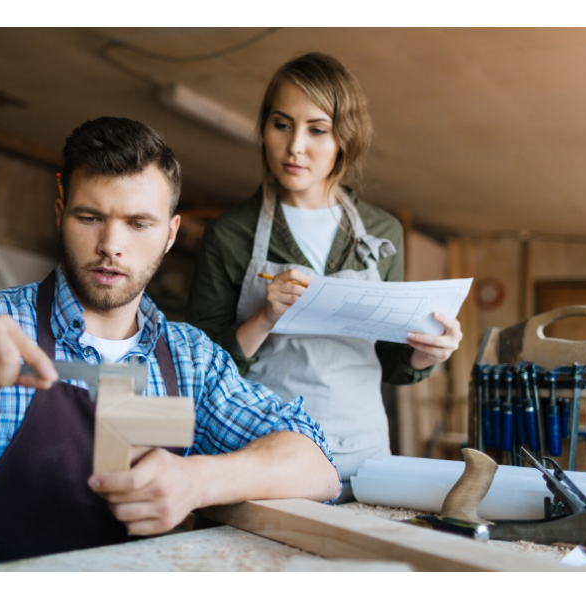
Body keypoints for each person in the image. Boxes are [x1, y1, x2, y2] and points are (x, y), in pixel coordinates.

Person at [0, 117, 340, 571]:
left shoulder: (191, 361)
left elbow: (317, 466)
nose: (111, 246)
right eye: (90, 217)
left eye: (138, 223)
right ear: (60, 215)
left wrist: (197, 479)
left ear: (171, 234)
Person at [186, 52, 462, 492]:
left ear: (344, 139)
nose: (295, 146)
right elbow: (200, 364)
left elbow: (393, 361)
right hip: (269, 448)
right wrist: (264, 318)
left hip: (366, 453)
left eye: (317, 130)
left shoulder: (381, 231)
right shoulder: (230, 234)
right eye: (281, 125)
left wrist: (429, 352)